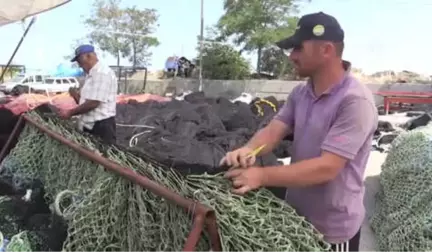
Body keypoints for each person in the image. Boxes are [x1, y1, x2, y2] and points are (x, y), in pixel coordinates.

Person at [221, 12, 377, 252]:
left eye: (298, 48)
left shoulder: (355, 102)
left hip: (333, 232)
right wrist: (249, 149)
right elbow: (274, 129)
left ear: (326, 50)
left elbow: (328, 167)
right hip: (296, 219)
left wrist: (260, 177)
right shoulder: (300, 94)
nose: (292, 56)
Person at [56, 44, 118, 145]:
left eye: (80, 61)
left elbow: (93, 103)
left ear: (89, 56)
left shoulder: (102, 73)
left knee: (101, 158)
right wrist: (75, 95)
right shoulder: (90, 75)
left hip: (101, 128)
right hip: (89, 126)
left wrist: (69, 113)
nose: (79, 65)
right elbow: (85, 102)